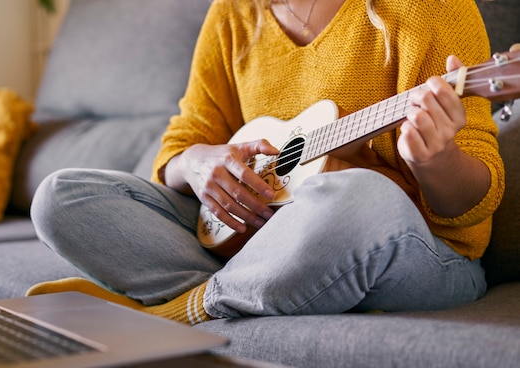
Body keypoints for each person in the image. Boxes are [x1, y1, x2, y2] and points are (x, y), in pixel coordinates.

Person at [28, 0, 505, 325]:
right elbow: (181, 142)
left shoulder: (426, 6)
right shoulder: (235, 12)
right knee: (60, 197)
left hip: (420, 254)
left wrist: (437, 159)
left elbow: (473, 209)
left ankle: (181, 313)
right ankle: (277, 287)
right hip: (255, 236)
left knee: (358, 195)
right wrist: (199, 164)